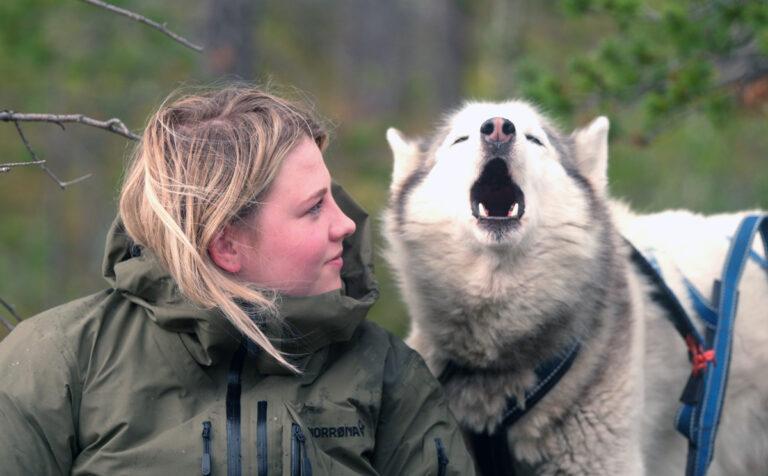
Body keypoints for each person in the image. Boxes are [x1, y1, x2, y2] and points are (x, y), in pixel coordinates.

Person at [0, 86, 475, 475]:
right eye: (313, 208)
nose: (346, 224)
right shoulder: (57, 365)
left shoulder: (390, 376)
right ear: (226, 245)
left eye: (333, 197)